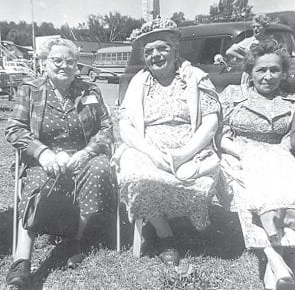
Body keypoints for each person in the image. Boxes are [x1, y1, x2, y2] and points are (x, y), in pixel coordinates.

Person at [5, 38, 116, 288]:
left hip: (82, 155)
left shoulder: (90, 91)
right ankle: (21, 260)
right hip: (44, 158)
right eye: (57, 60)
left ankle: (75, 239)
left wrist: (87, 152)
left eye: (70, 61)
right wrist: (42, 153)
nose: (63, 65)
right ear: (45, 63)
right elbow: (14, 129)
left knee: (100, 169)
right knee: (36, 184)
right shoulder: (30, 89)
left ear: (77, 65)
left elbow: (107, 129)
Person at [113, 18, 221, 266]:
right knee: (135, 176)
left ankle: (193, 219)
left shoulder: (196, 77)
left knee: (200, 179)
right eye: (148, 51)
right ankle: (165, 235)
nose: (155, 55)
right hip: (148, 146)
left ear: (175, 49)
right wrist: (150, 152)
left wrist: (185, 153)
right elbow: (125, 126)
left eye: (162, 48)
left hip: (191, 146)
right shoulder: (138, 82)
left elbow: (210, 123)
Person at [220, 39, 295, 289]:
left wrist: (285, 145)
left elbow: (291, 138)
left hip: (277, 156)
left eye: (274, 70)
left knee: (282, 190)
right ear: (250, 73)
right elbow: (216, 131)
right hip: (237, 155)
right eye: (261, 70)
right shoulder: (233, 96)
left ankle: (275, 262)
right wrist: (238, 150)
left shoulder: (291, 102)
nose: (268, 76)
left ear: (284, 73)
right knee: (249, 190)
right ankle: (276, 259)